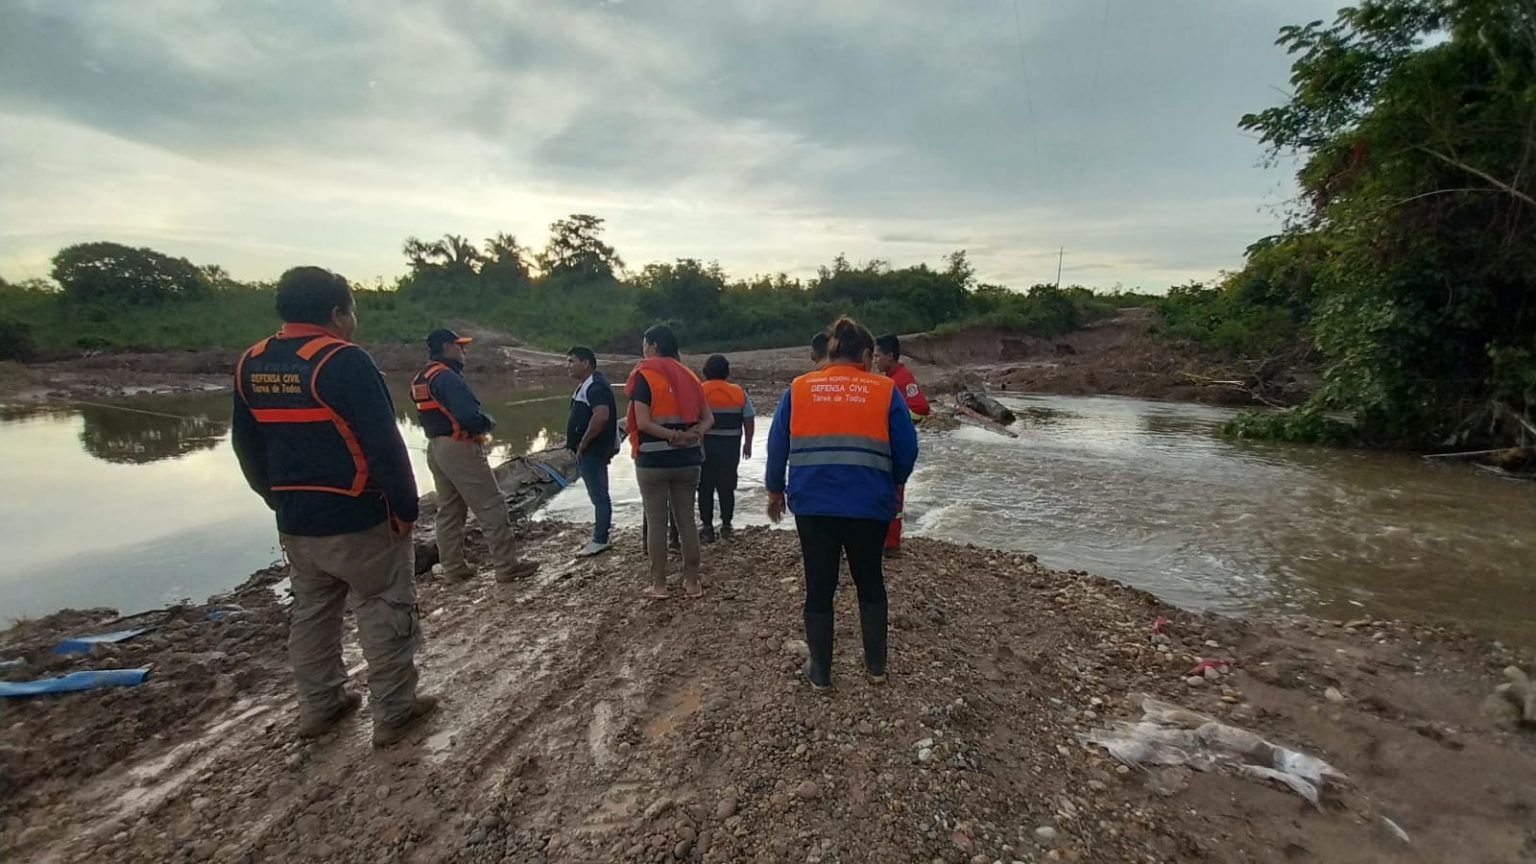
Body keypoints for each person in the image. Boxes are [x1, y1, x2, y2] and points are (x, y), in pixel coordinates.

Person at [232, 266, 436, 747]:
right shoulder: (345, 361)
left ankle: (320, 705)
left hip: (297, 521)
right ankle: (394, 711)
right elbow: (385, 447)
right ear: (337, 313)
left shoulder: (251, 363)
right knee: (385, 606)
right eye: (353, 310)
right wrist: (405, 510)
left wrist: (275, 500)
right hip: (360, 516)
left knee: (312, 613)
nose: (354, 321)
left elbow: (247, 446)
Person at [765, 316, 919, 689]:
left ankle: (820, 672)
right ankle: (876, 667)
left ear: (832, 351)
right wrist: (890, 481)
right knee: (870, 581)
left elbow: (777, 445)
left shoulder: (799, 388)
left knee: (819, 586)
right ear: (865, 354)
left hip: (814, 505)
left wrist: (775, 490)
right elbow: (907, 450)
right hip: (870, 504)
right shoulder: (884, 391)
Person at [411, 328, 538, 583]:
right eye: (460, 346)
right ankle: (507, 566)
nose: (464, 351)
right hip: (460, 447)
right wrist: (487, 423)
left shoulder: (421, 377)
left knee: (449, 510)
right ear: (447, 347)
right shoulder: (447, 377)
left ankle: (453, 567)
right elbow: (469, 417)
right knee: (491, 505)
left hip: (436, 448)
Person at [626, 324, 713, 599]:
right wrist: (692, 435)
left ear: (653, 345)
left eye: (644, 343)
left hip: (653, 462)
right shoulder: (690, 376)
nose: (643, 349)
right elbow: (708, 418)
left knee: (656, 522)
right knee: (687, 520)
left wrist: (673, 436)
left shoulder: (645, 376)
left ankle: (660, 585)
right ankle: (691, 582)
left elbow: (642, 422)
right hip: (687, 461)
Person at [873, 333, 930, 557]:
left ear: (890, 356)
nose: (875, 360)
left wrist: (895, 419)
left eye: (878, 356)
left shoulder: (902, 379)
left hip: (895, 445)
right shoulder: (890, 378)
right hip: (886, 444)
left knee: (895, 496)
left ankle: (891, 544)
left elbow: (921, 409)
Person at [565, 346, 619, 557]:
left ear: (585, 363)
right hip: (592, 450)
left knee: (599, 495)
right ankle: (602, 532)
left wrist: (584, 443)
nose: (567, 366)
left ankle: (600, 539)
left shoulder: (595, 386)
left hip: (593, 450)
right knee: (599, 494)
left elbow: (601, 416)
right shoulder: (587, 384)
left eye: (571, 361)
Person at [697, 354, 756, 543]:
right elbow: (749, 418)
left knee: (704, 487)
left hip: (705, 448)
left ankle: (707, 527)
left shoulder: (699, 391)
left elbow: (691, 419)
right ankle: (727, 525)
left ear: (706, 371)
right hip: (730, 448)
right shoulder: (738, 392)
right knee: (727, 487)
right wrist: (748, 442)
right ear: (727, 372)